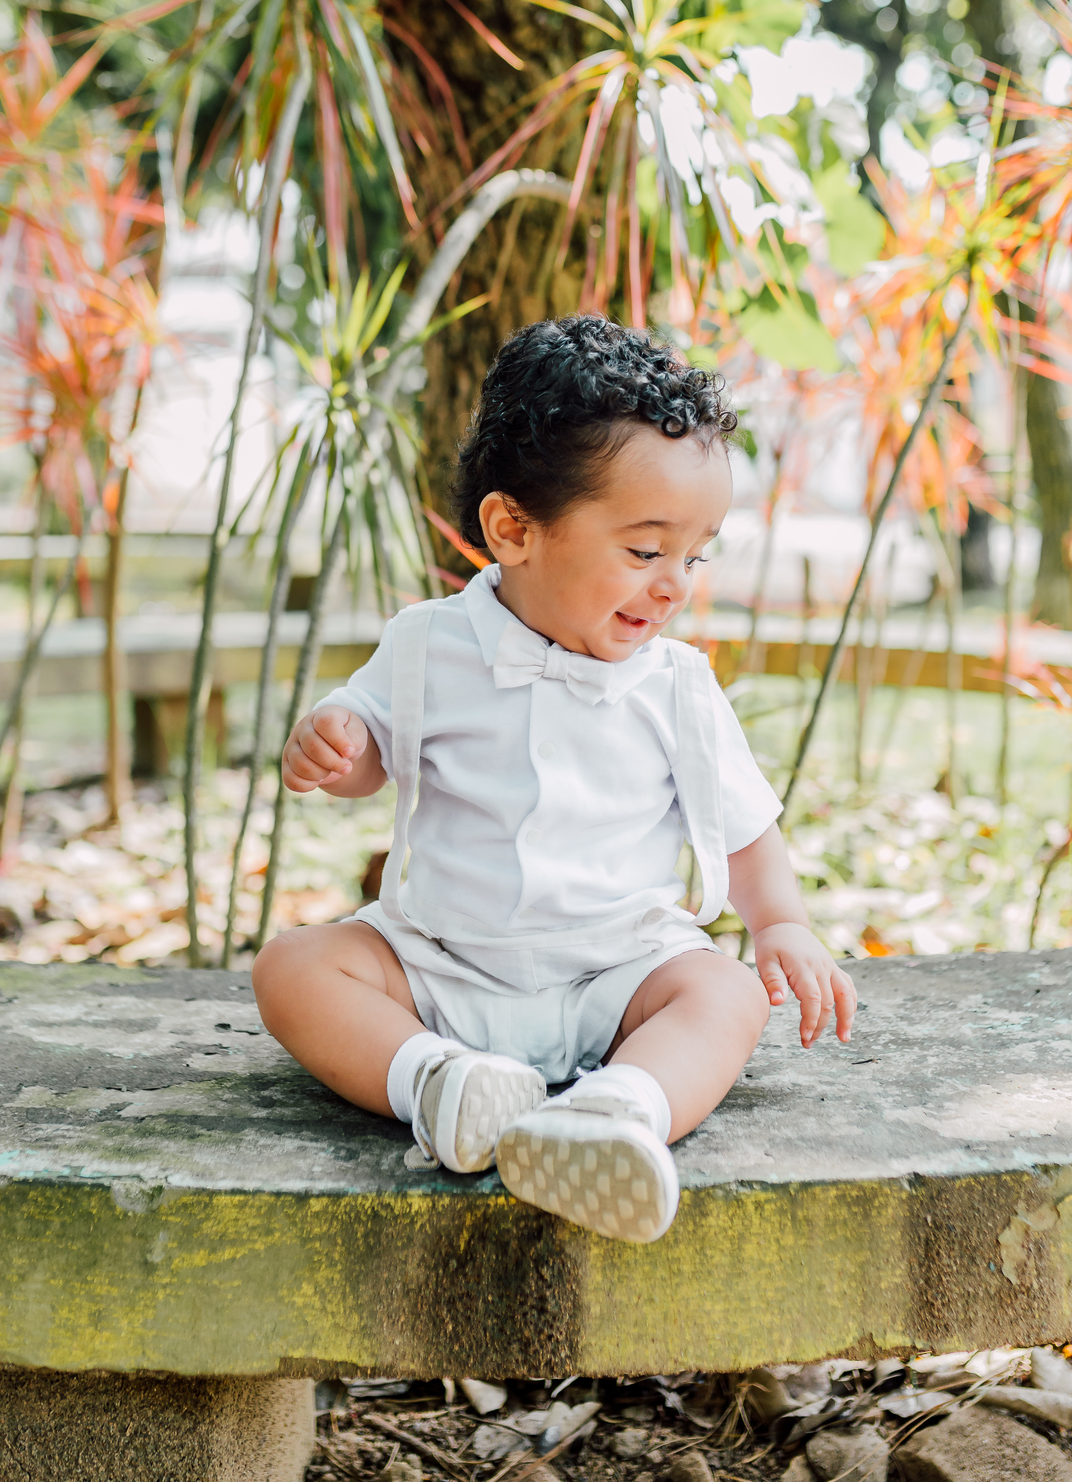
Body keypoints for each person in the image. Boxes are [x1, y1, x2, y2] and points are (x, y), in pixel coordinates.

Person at [252, 316, 856, 1244]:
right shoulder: (429, 643)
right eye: (646, 551)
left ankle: (616, 1111)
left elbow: (741, 825)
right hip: (442, 965)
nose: (674, 587)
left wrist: (782, 925)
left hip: (617, 974)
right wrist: (338, 744)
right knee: (293, 968)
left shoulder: (676, 685)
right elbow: (372, 747)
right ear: (513, 529)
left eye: (694, 557)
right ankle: (441, 1085)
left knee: (724, 994)